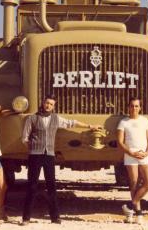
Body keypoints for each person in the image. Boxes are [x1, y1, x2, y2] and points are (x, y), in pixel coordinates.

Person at [20, 94, 101, 225]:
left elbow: (71, 123)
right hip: (35, 155)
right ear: (43, 103)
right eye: (47, 103)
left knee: (51, 186)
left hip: (49, 155)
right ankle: (26, 218)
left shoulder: (56, 118)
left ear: (53, 106)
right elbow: (24, 138)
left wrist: (90, 126)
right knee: (32, 186)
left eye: (51, 104)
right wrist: (33, 148)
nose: (48, 106)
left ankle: (55, 217)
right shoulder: (32, 118)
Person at [117, 97, 148, 224]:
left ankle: (130, 205)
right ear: (129, 107)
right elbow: (120, 142)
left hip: (144, 155)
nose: (134, 108)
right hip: (130, 155)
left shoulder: (145, 121)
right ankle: (136, 214)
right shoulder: (123, 122)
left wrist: (147, 152)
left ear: (140, 108)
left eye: (137, 106)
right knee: (134, 182)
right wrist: (130, 152)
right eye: (132, 106)